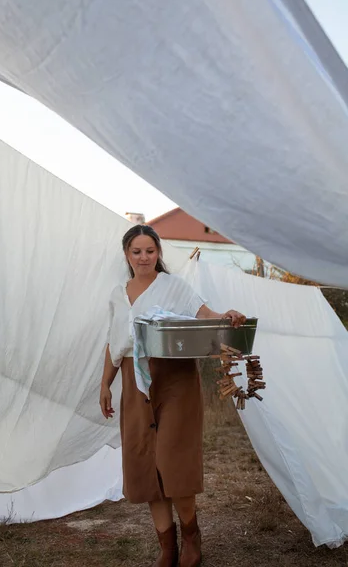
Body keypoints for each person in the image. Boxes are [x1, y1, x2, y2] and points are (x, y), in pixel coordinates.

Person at [100, 224, 246, 567]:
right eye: (136, 251)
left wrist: (228, 316)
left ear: (158, 253)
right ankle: (167, 546)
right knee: (145, 464)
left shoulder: (175, 286)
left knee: (172, 462)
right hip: (135, 383)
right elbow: (114, 343)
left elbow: (206, 316)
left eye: (149, 250)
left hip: (175, 380)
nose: (143, 257)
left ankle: (191, 536)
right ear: (126, 255)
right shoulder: (116, 294)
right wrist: (105, 384)